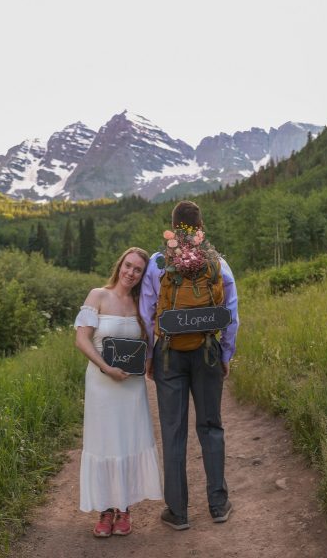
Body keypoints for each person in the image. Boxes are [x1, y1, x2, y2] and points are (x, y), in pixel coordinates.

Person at [139, 200, 239, 530]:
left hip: (169, 354)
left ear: (173, 225)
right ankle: (218, 504)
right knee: (211, 427)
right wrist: (225, 354)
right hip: (207, 351)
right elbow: (231, 315)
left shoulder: (156, 263)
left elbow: (146, 312)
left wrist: (150, 358)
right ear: (200, 226)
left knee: (173, 431)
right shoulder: (217, 262)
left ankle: (178, 512)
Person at [74, 247, 163, 538]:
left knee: (127, 440)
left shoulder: (142, 304)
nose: (131, 273)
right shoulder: (97, 295)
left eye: (138, 270)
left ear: (142, 275)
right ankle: (105, 510)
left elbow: (148, 342)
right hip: (102, 383)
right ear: (120, 264)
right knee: (104, 442)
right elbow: (82, 339)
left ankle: (124, 508)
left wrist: (148, 361)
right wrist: (105, 367)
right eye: (128, 266)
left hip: (131, 385)